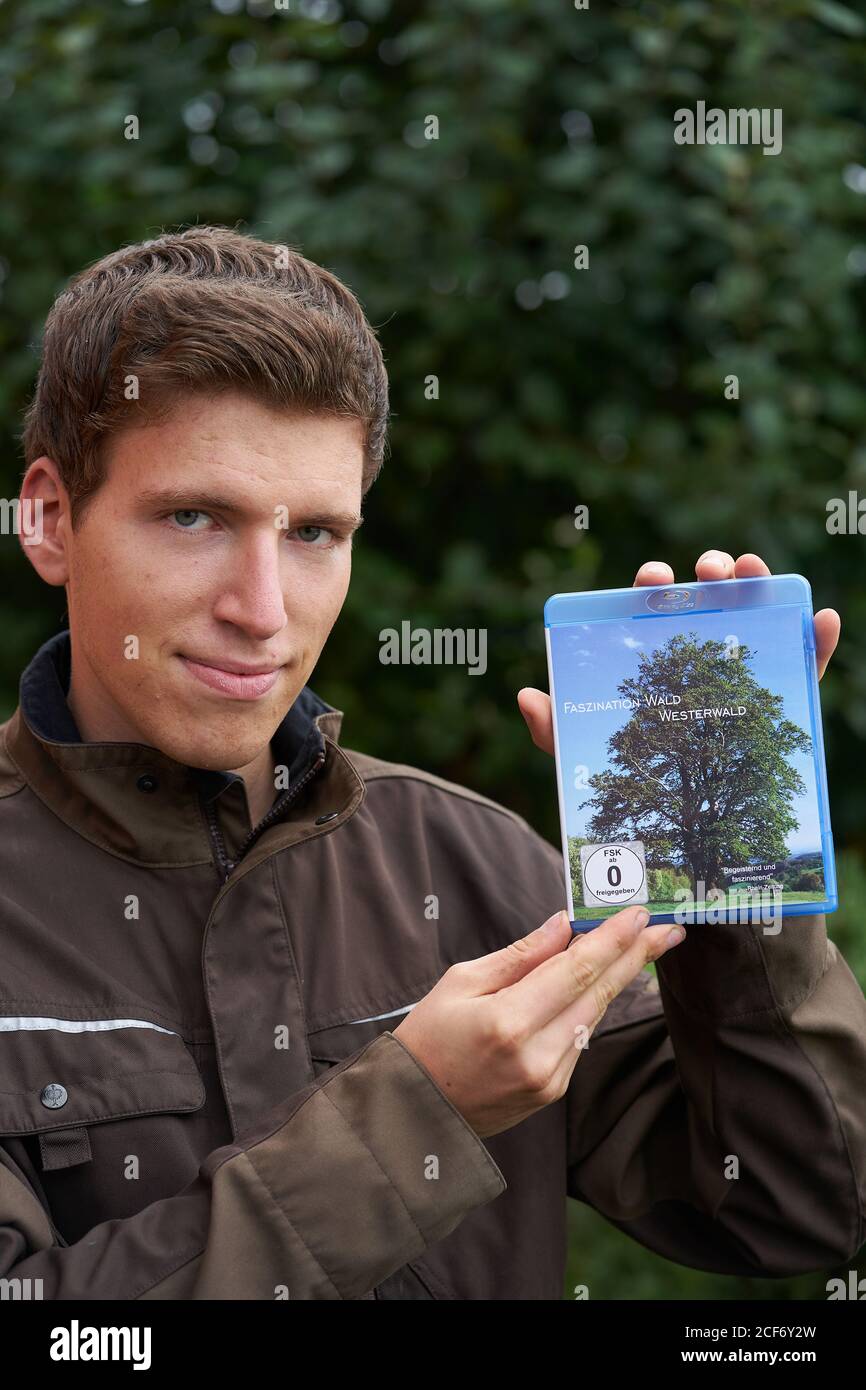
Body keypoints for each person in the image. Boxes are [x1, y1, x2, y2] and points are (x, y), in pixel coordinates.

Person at [1, 226, 862, 1301]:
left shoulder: (477, 864)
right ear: (46, 518)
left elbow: (798, 1208)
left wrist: (727, 862)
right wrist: (418, 1112)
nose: (262, 612)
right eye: (192, 516)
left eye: (314, 534)